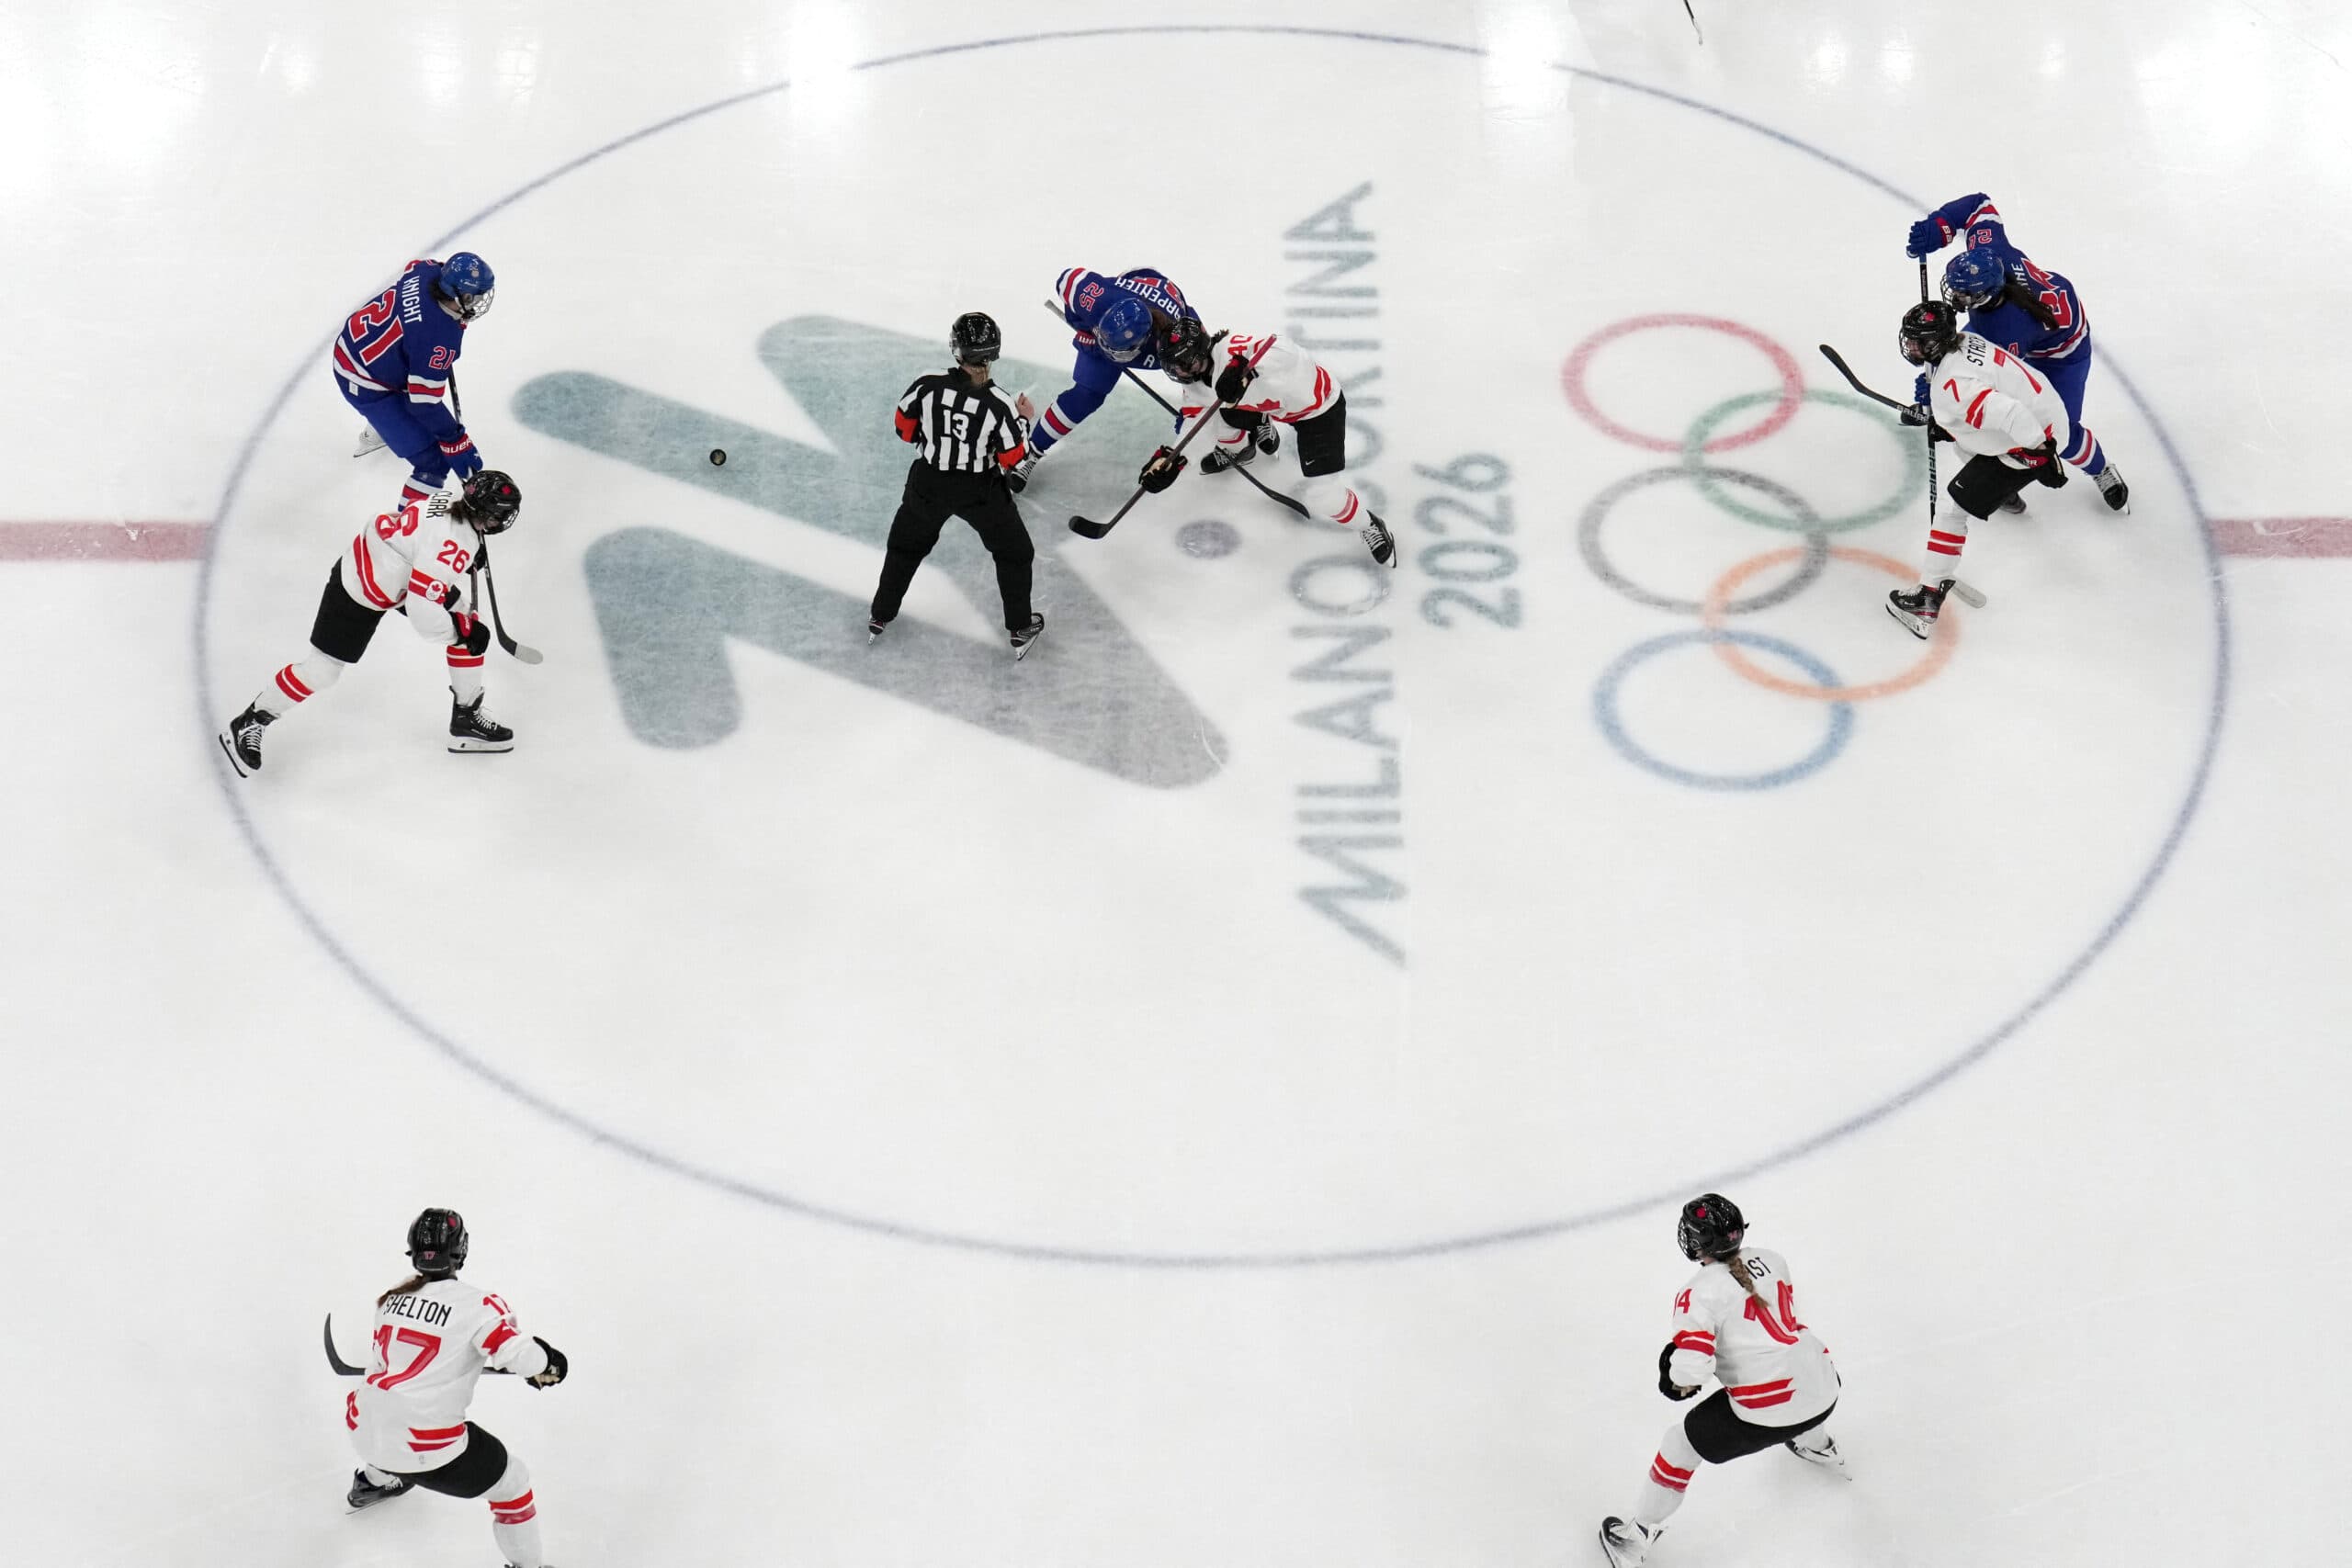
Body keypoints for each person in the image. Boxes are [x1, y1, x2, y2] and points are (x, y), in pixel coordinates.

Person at [216, 470, 524, 775]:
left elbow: (425, 538)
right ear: (484, 514)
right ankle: (251, 720)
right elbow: (422, 613)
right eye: (501, 515)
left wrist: (462, 604)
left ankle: (466, 716)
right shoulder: (457, 544)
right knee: (323, 671)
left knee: (467, 617)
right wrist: (461, 630)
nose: (504, 521)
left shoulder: (448, 500)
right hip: (360, 587)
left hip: (394, 566)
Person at [1597, 1195, 1845, 1567]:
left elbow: (1690, 1372)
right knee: (1797, 1373)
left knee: (1679, 1445)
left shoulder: (1697, 1292)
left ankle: (1637, 1536)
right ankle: (1821, 1446)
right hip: (1825, 1382)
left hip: (1770, 1410)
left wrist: (1674, 1376)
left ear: (1697, 1241)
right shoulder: (1773, 1259)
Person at [345, 1209, 568, 1568]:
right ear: (460, 1249)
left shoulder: (388, 1301)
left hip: (361, 1427)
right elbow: (524, 1359)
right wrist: (548, 1362)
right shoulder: (480, 1306)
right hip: (427, 1449)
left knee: (385, 1405)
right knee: (514, 1484)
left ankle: (374, 1481)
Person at [1905, 194, 2128, 513]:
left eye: (1964, 294)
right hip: (2038, 324)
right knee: (1999, 421)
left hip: (2064, 353)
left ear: (1985, 295)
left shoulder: (2007, 330)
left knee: (2059, 432)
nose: (1954, 296)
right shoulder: (1990, 253)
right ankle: (2002, 480)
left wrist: (1940, 383)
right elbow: (1978, 206)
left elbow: (1987, 375)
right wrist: (1940, 225)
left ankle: (2101, 468)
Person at [1136, 316, 1396, 569]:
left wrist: (1243, 369)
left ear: (1201, 352)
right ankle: (1251, 436)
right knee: (1221, 413)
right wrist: (1175, 460)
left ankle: (1368, 524)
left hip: (1318, 410)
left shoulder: (1232, 349)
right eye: (1175, 369)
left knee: (1325, 497)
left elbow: (1284, 349)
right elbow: (1198, 425)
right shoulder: (1195, 385)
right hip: (1269, 405)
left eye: (1184, 365)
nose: (1181, 374)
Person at [1885, 301, 2072, 638]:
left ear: (1936, 343)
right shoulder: (1963, 344)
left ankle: (1927, 597)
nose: (1910, 346)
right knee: (1963, 444)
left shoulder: (1953, 385)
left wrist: (2041, 455)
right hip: (2045, 408)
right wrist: (1945, 421)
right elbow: (1984, 402)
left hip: (2036, 434)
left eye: (1918, 341)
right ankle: (2006, 495)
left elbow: (2010, 414)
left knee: (1952, 509)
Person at [867, 312, 1046, 659]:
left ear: (956, 349)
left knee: (904, 548)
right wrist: (1024, 419)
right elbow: (1013, 459)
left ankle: (880, 614)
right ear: (994, 352)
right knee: (1015, 553)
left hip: (927, 483)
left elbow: (903, 429)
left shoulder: (926, 383)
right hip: (980, 491)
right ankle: (1020, 628)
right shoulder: (1001, 405)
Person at [1008, 265, 1202, 491]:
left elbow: (1200, 385)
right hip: (1126, 296)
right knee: (1086, 395)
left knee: (1197, 381)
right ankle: (1031, 450)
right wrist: (1088, 328)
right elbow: (1068, 278)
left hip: (1165, 315)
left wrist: (1189, 427)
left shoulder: (1178, 341)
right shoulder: (1102, 301)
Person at [334, 254, 498, 512]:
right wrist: (455, 440)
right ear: (457, 296)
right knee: (434, 463)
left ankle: (383, 428)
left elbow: (416, 265)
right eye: (472, 297)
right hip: (364, 380)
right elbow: (423, 404)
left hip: (358, 345)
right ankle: (403, 536)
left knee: (407, 378)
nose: (477, 302)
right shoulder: (436, 339)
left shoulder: (427, 272)